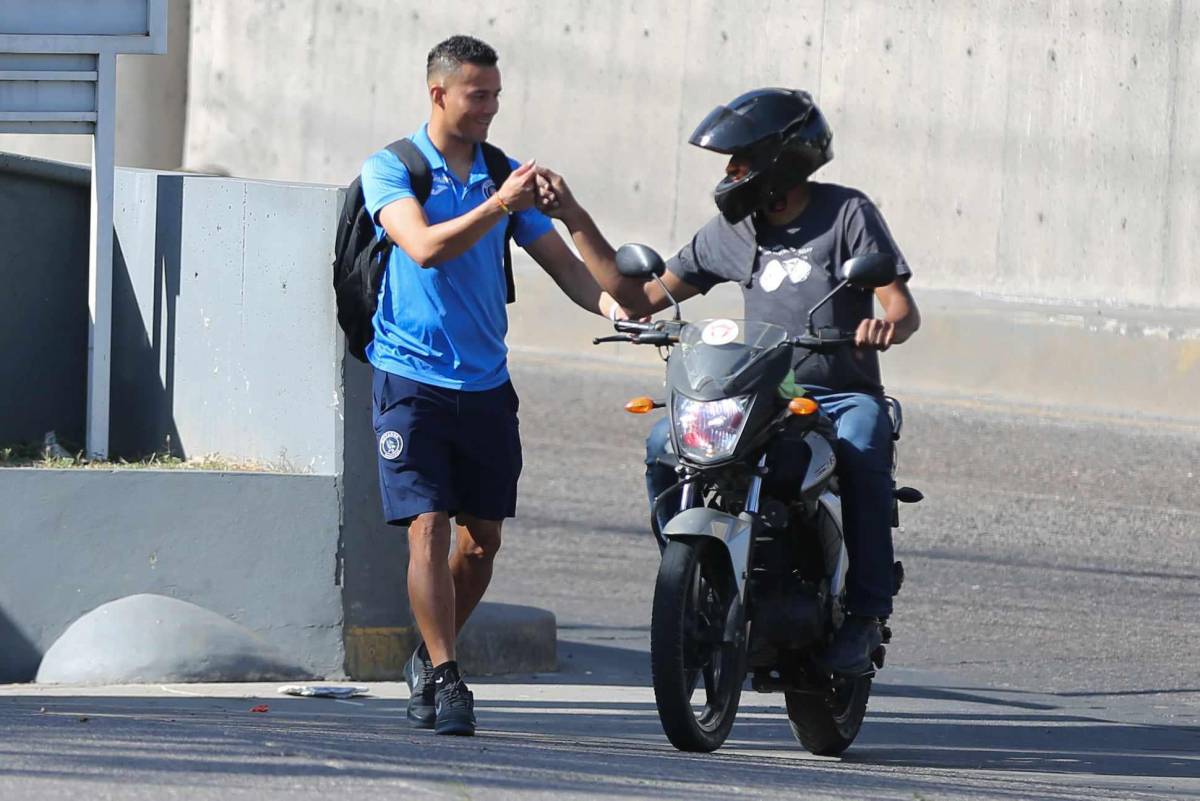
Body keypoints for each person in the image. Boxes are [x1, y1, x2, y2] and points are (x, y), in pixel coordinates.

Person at [533, 88, 921, 677]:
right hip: (763, 393)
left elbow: (902, 308)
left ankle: (865, 615)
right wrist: (575, 217)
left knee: (865, 442)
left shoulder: (847, 215)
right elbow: (639, 297)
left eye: (738, 161)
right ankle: (695, 579)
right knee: (665, 441)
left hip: (839, 393)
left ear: (778, 161)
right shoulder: (730, 235)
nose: (729, 174)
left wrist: (882, 325)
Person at [360, 35, 628, 736]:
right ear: (439, 92)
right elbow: (422, 245)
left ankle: (429, 651)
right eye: (479, 95)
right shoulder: (393, 167)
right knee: (426, 525)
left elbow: (563, 266)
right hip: (409, 375)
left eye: (497, 96)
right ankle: (449, 678)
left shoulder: (503, 170)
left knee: (480, 544)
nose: (490, 108)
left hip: (484, 383)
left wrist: (610, 307)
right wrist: (496, 206)